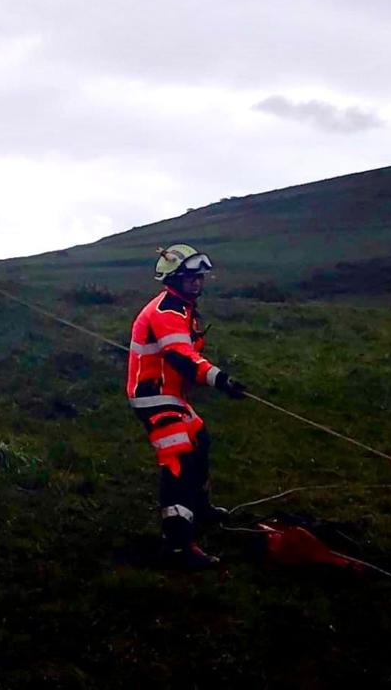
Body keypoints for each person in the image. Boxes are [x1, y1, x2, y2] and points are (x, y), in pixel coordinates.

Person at [126, 244, 248, 570]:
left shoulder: (183, 308)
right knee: (177, 454)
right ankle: (178, 544)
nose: (196, 282)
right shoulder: (167, 311)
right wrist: (220, 380)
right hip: (153, 396)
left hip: (172, 395)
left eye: (199, 277)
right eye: (188, 277)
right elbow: (181, 357)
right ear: (173, 279)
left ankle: (199, 509)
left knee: (200, 438)